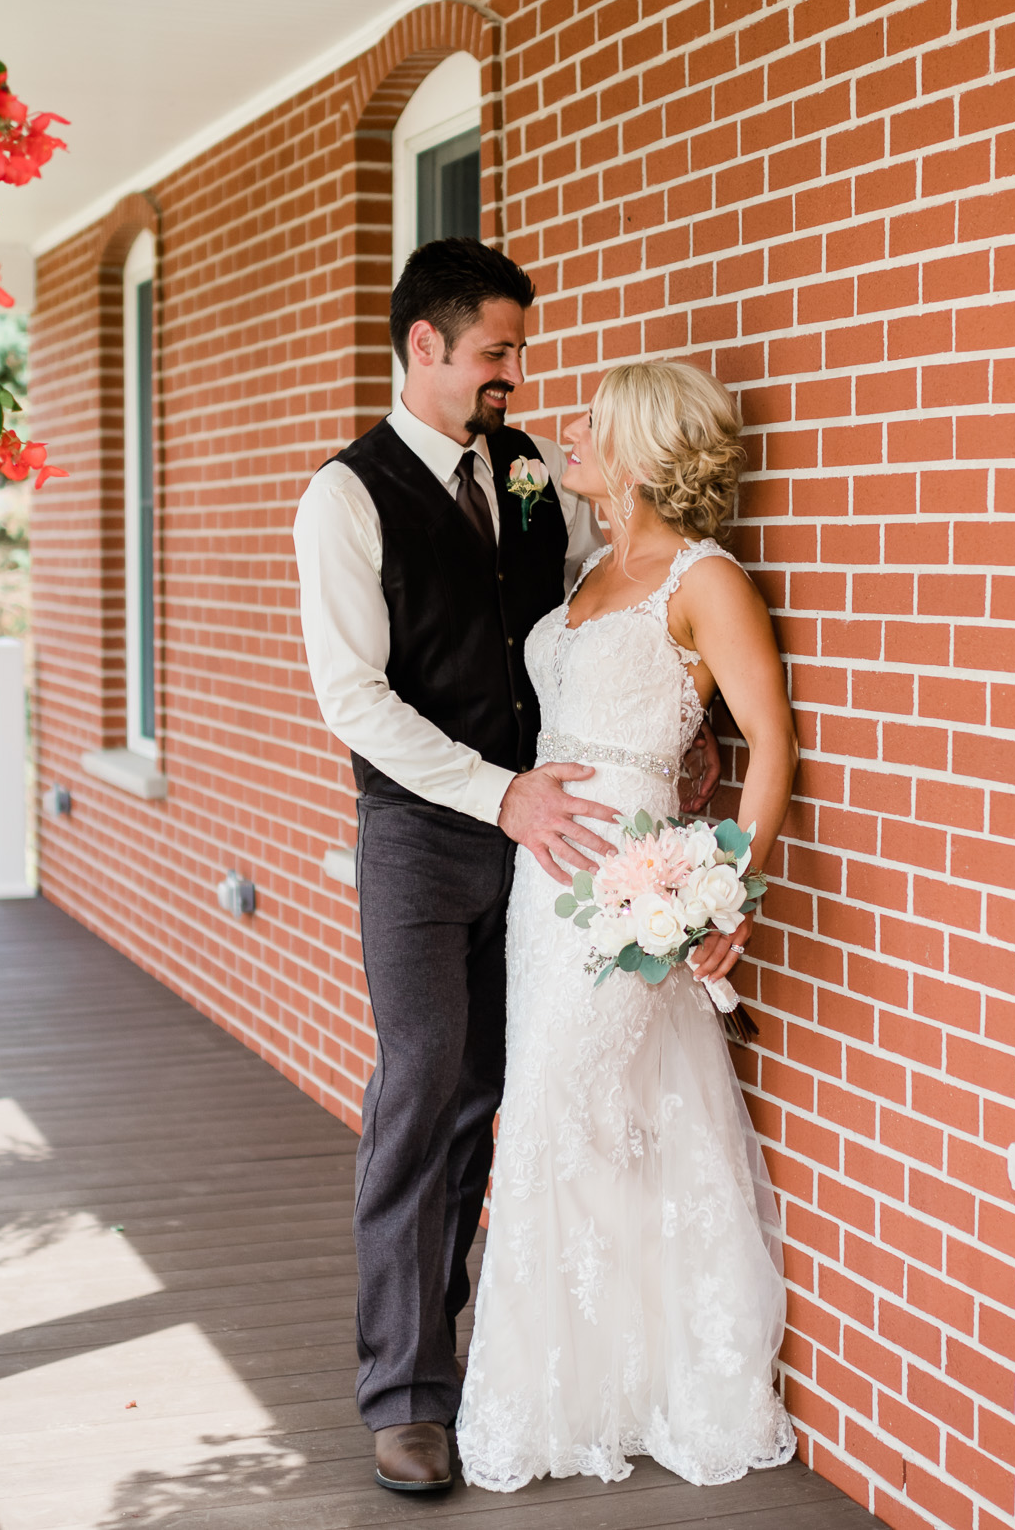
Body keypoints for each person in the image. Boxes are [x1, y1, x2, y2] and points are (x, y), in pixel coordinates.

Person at [291, 241, 738, 1493]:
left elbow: (616, 621)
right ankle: (407, 1393)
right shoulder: (345, 496)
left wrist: (669, 748)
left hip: (565, 851)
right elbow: (352, 697)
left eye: (518, 354)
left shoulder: (537, 473)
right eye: (496, 352)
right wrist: (499, 793)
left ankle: (490, 1354)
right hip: (429, 837)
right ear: (424, 345)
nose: (514, 375)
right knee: (426, 1083)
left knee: (502, 1088)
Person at [454, 359, 799, 1491]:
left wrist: (729, 892)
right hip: (542, 891)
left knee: (567, 1107)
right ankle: (599, 1385)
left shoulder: (706, 580)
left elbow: (769, 742)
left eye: (591, 425)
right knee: (596, 1122)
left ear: (639, 453)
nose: (568, 436)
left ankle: (617, 1386)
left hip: (632, 893)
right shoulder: (594, 565)